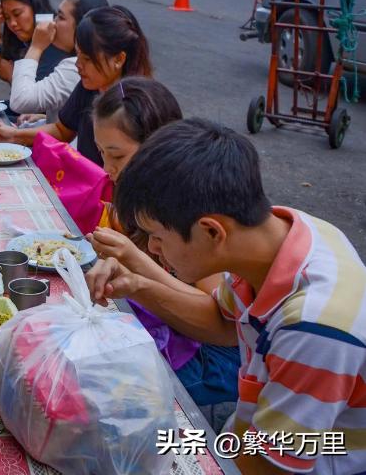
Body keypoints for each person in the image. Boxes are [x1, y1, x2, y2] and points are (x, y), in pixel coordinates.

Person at [88, 118, 366, 474]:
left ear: (211, 230)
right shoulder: (281, 234)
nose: (154, 249)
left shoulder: (315, 328)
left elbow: (268, 465)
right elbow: (221, 321)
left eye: (157, 236)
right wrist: (137, 283)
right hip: (246, 435)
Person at [88, 79, 240, 419]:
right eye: (101, 153)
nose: (107, 168)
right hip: (175, 331)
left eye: (117, 155)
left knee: (103, 393)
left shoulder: (195, 208)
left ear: (157, 147)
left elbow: (220, 322)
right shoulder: (140, 197)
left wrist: (133, 259)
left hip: (212, 356)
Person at [0, 6, 152, 166]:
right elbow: (62, 130)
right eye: (78, 55)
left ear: (118, 59)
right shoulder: (88, 87)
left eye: (87, 59)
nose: (78, 65)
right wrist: (14, 135)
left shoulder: (139, 104)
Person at [8, 0, 109, 120]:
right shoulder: (79, 58)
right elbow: (71, 123)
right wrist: (43, 118)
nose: (53, 23)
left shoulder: (76, 67)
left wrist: (36, 47)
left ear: (83, 26)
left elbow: (20, 101)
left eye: (60, 17)